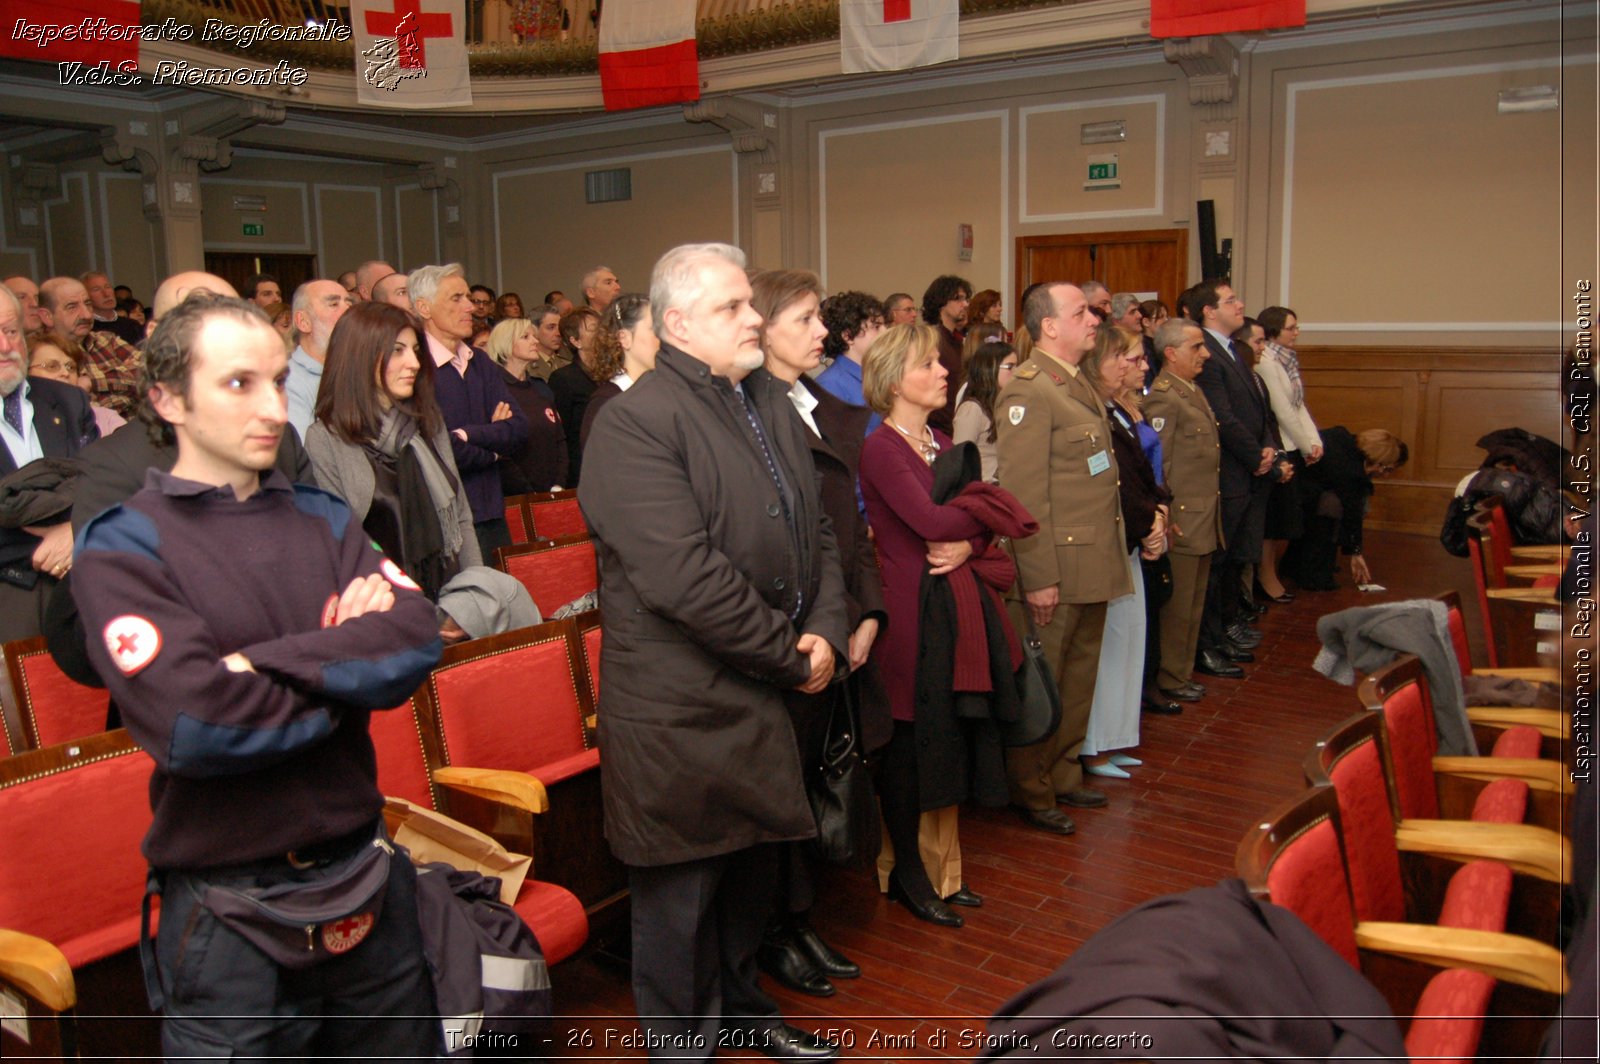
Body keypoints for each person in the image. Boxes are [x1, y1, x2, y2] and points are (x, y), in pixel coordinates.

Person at [72, 292, 442, 1057]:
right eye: (240, 384)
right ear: (168, 399)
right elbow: (196, 727)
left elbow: (412, 639)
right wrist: (340, 667)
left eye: (278, 381)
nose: (273, 406)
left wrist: (265, 661)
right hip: (231, 909)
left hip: (365, 884)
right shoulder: (125, 544)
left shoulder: (323, 517)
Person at [578, 242, 848, 1062]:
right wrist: (793, 656)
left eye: (749, 304)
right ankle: (682, 1046)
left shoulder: (763, 398)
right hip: (686, 712)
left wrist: (828, 629)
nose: (754, 318)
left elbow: (821, 529)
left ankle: (740, 1007)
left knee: (747, 883)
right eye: (734, 307)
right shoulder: (633, 422)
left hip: (766, 695)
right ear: (678, 324)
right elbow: (684, 579)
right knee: (683, 900)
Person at [858, 322, 1032, 924]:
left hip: (947, 608)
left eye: (939, 362)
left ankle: (942, 870)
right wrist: (976, 525)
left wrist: (973, 535)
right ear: (892, 379)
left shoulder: (936, 436)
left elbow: (974, 517)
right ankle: (906, 871)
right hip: (909, 614)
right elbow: (934, 523)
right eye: (928, 364)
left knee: (942, 739)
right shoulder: (882, 447)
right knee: (908, 745)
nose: (943, 372)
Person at [748, 269, 886, 999]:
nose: (821, 333)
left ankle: (798, 918)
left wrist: (863, 613)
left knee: (809, 783)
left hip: (831, 618)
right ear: (762, 327)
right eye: (803, 319)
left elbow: (849, 526)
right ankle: (777, 928)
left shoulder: (824, 407)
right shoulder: (745, 415)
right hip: (786, 633)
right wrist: (814, 632)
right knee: (779, 793)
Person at [994, 282, 1129, 834]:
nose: (1095, 320)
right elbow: (1024, 499)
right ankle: (1031, 788)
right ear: (1049, 325)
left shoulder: (1074, 383)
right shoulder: (1029, 390)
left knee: (1079, 677)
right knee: (1045, 683)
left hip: (1093, 560)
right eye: (1081, 313)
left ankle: (1065, 773)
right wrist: (1039, 577)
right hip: (1057, 566)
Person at [304, 302, 482, 604]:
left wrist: (475, 600)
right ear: (360, 355)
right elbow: (339, 545)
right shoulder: (327, 439)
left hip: (452, 596)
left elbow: (461, 518)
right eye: (397, 350)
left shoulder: (429, 424)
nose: (413, 362)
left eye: (415, 350)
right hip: (383, 608)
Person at [1078, 326, 1170, 778]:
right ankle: (1096, 747)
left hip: (1133, 535)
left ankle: (1117, 739)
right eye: (1125, 358)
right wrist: (1147, 522)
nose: (1135, 366)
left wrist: (1159, 513)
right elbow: (1109, 485)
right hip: (1114, 540)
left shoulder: (1118, 410)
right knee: (1110, 646)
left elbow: (1143, 477)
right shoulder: (1093, 409)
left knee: (1131, 640)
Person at [410, 264, 529, 561]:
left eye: (469, 297)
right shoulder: (414, 367)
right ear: (424, 308)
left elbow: (518, 429)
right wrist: (493, 451)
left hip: (491, 513)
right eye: (456, 298)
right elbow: (436, 449)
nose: (470, 307)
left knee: (502, 602)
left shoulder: (481, 363)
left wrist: (468, 434)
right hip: (444, 522)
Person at [0, 287, 99, 643]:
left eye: (11, 331)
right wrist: (49, 547)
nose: (5, 346)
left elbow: (101, 485)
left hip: (82, 582)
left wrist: (74, 532)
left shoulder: (67, 401)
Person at [1144, 319, 1223, 705]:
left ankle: (1183, 671)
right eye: (1196, 347)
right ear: (1171, 353)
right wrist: (1167, 515)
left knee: (1194, 601)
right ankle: (1172, 676)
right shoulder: (1164, 397)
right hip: (1183, 518)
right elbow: (1163, 466)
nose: (1205, 354)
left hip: (1203, 514)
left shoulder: (1190, 390)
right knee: (1177, 608)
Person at [1255, 306, 1322, 602]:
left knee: (1282, 521)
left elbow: (1298, 405)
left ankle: (1271, 574)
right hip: (1279, 446)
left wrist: (1314, 442)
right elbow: (1282, 411)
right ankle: (1265, 577)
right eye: (1291, 327)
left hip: (1293, 446)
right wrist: (1306, 446)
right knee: (1273, 522)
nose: (1296, 332)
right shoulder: (1267, 363)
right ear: (1273, 331)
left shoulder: (1286, 360)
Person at [1287, 427, 1407, 591]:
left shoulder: (1341, 435)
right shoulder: (1351, 472)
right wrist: (1356, 553)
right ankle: (1314, 574)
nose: (1383, 473)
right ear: (1380, 462)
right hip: (1298, 495)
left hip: (1299, 486)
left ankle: (1296, 565)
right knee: (1331, 509)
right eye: (1386, 469)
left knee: (1329, 507)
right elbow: (1353, 513)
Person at [486, 316, 568, 495]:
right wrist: (527, 492)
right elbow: (500, 448)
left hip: (552, 491)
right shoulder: (494, 390)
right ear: (506, 345)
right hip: (515, 495)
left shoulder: (541, 388)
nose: (535, 341)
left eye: (534, 336)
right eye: (525, 337)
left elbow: (559, 440)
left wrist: (559, 484)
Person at [577, 293, 658, 453]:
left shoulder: (664, 393)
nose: (663, 338)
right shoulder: (605, 403)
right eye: (654, 329)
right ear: (624, 338)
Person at [26, 328, 127, 436]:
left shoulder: (104, 419)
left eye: (71, 367)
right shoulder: (22, 422)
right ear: (25, 372)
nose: (65, 373)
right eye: (52, 366)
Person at [815, 290, 885, 433]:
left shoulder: (877, 375)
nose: (885, 332)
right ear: (848, 336)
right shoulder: (830, 385)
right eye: (876, 327)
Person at [951, 341, 1017, 484]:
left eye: (1017, 366)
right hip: (983, 490)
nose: (1016, 372)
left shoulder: (1003, 404)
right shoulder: (972, 409)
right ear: (990, 368)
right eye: (1010, 367)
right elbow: (960, 459)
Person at [920, 274, 971, 435]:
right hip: (937, 427)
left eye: (966, 299)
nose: (965, 304)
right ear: (941, 303)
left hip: (953, 423)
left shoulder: (956, 339)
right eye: (958, 299)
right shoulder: (932, 340)